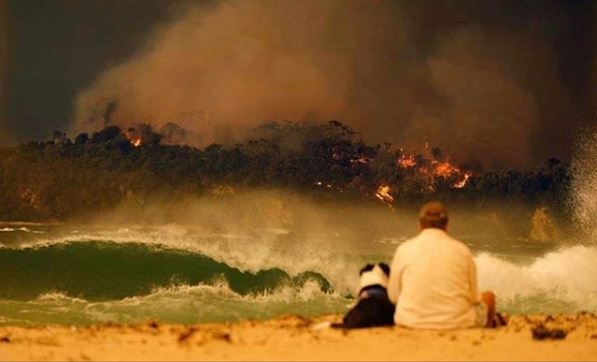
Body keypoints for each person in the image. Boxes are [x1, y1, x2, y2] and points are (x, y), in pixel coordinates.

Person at [387, 201, 499, 329]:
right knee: (489, 297)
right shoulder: (461, 250)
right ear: (447, 225)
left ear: (420, 225)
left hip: (410, 321)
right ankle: (487, 332)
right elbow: (474, 298)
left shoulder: (404, 249)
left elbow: (393, 296)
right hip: (456, 322)